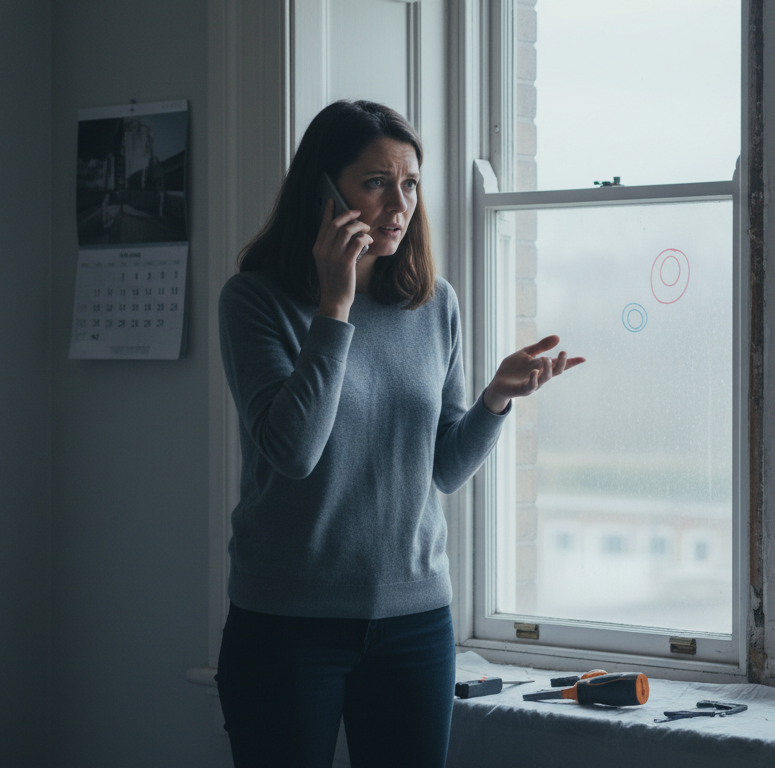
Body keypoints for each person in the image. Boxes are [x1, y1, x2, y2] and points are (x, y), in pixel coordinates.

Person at [213, 99, 583, 768]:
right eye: (376, 182)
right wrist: (335, 305)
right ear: (323, 192)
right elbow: (293, 452)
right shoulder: (254, 300)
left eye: (409, 183)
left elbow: (440, 468)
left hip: (415, 624)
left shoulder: (434, 303)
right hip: (287, 624)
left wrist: (496, 400)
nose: (399, 203)